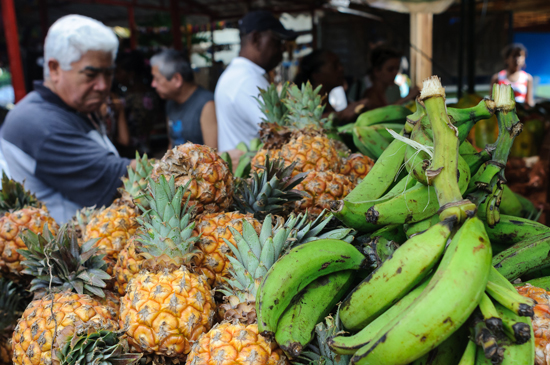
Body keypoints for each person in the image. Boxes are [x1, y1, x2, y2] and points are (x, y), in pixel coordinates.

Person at [1, 15, 135, 223]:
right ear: (54, 69)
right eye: (91, 75)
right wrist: (187, 164)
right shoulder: (37, 122)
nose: (102, 86)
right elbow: (118, 177)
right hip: (72, 249)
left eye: (108, 74)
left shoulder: (73, 107)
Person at [215, 10, 298, 151]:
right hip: (251, 169)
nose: (283, 48)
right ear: (256, 39)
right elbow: (279, 134)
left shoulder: (236, 73)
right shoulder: (248, 80)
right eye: (277, 40)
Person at [151, 50, 217, 150]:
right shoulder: (170, 103)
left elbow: (213, 156)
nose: (153, 84)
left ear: (177, 79)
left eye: (157, 79)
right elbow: (172, 143)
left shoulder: (206, 104)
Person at [293, 49, 370, 123]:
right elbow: (307, 125)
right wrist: (342, 114)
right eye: (335, 66)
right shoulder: (305, 109)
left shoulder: (327, 105)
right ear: (317, 75)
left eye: (340, 64)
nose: (341, 69)